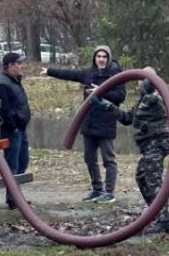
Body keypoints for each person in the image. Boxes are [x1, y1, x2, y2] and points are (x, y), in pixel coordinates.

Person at [94, 67, 169, 233]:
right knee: (141, 178)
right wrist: (107, 106)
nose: (141, 82)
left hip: (157, 142)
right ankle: (156, 213)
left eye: (145, 79)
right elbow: (127, 118)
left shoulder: (155, 98)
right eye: (140, 78)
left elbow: (159, 104)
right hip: (147, 145)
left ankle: (164, 220)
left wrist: (153, 89)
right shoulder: (141, 99)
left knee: (153, 181)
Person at [42, 46, 126, 203]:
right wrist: (49, 71)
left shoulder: (116, 75)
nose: (101, 59)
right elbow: (70, 74)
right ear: (95, 58)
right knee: (89, 158)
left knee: (108, 159)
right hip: (89, 123)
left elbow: (120, 96)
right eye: (98, 56)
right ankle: (97, 189)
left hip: (106, 123)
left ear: (108, 59)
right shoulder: (89, 74)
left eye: (104, 56)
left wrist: (101, 91)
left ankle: (109, 192)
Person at [0, 52, 31, 210]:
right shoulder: (2, 84)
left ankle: (17, 195)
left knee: (23, 162)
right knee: (12, 165)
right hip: (11, 130)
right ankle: (13, 199)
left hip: (20, 128)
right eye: (18, 63)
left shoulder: (13, 80)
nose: (20, 66)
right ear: (10, 66)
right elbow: (4, 109)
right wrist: (14, 124)